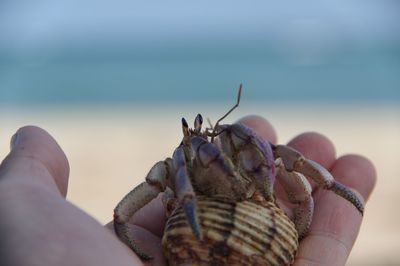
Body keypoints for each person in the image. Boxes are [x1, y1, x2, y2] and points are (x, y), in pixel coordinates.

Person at [0, 116, 376, 266]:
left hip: (227, 225)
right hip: (197, 222)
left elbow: (277, 160)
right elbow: (123, 213)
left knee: (276, 157)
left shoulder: (227, 146)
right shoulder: (179, 163)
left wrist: (327, 186)